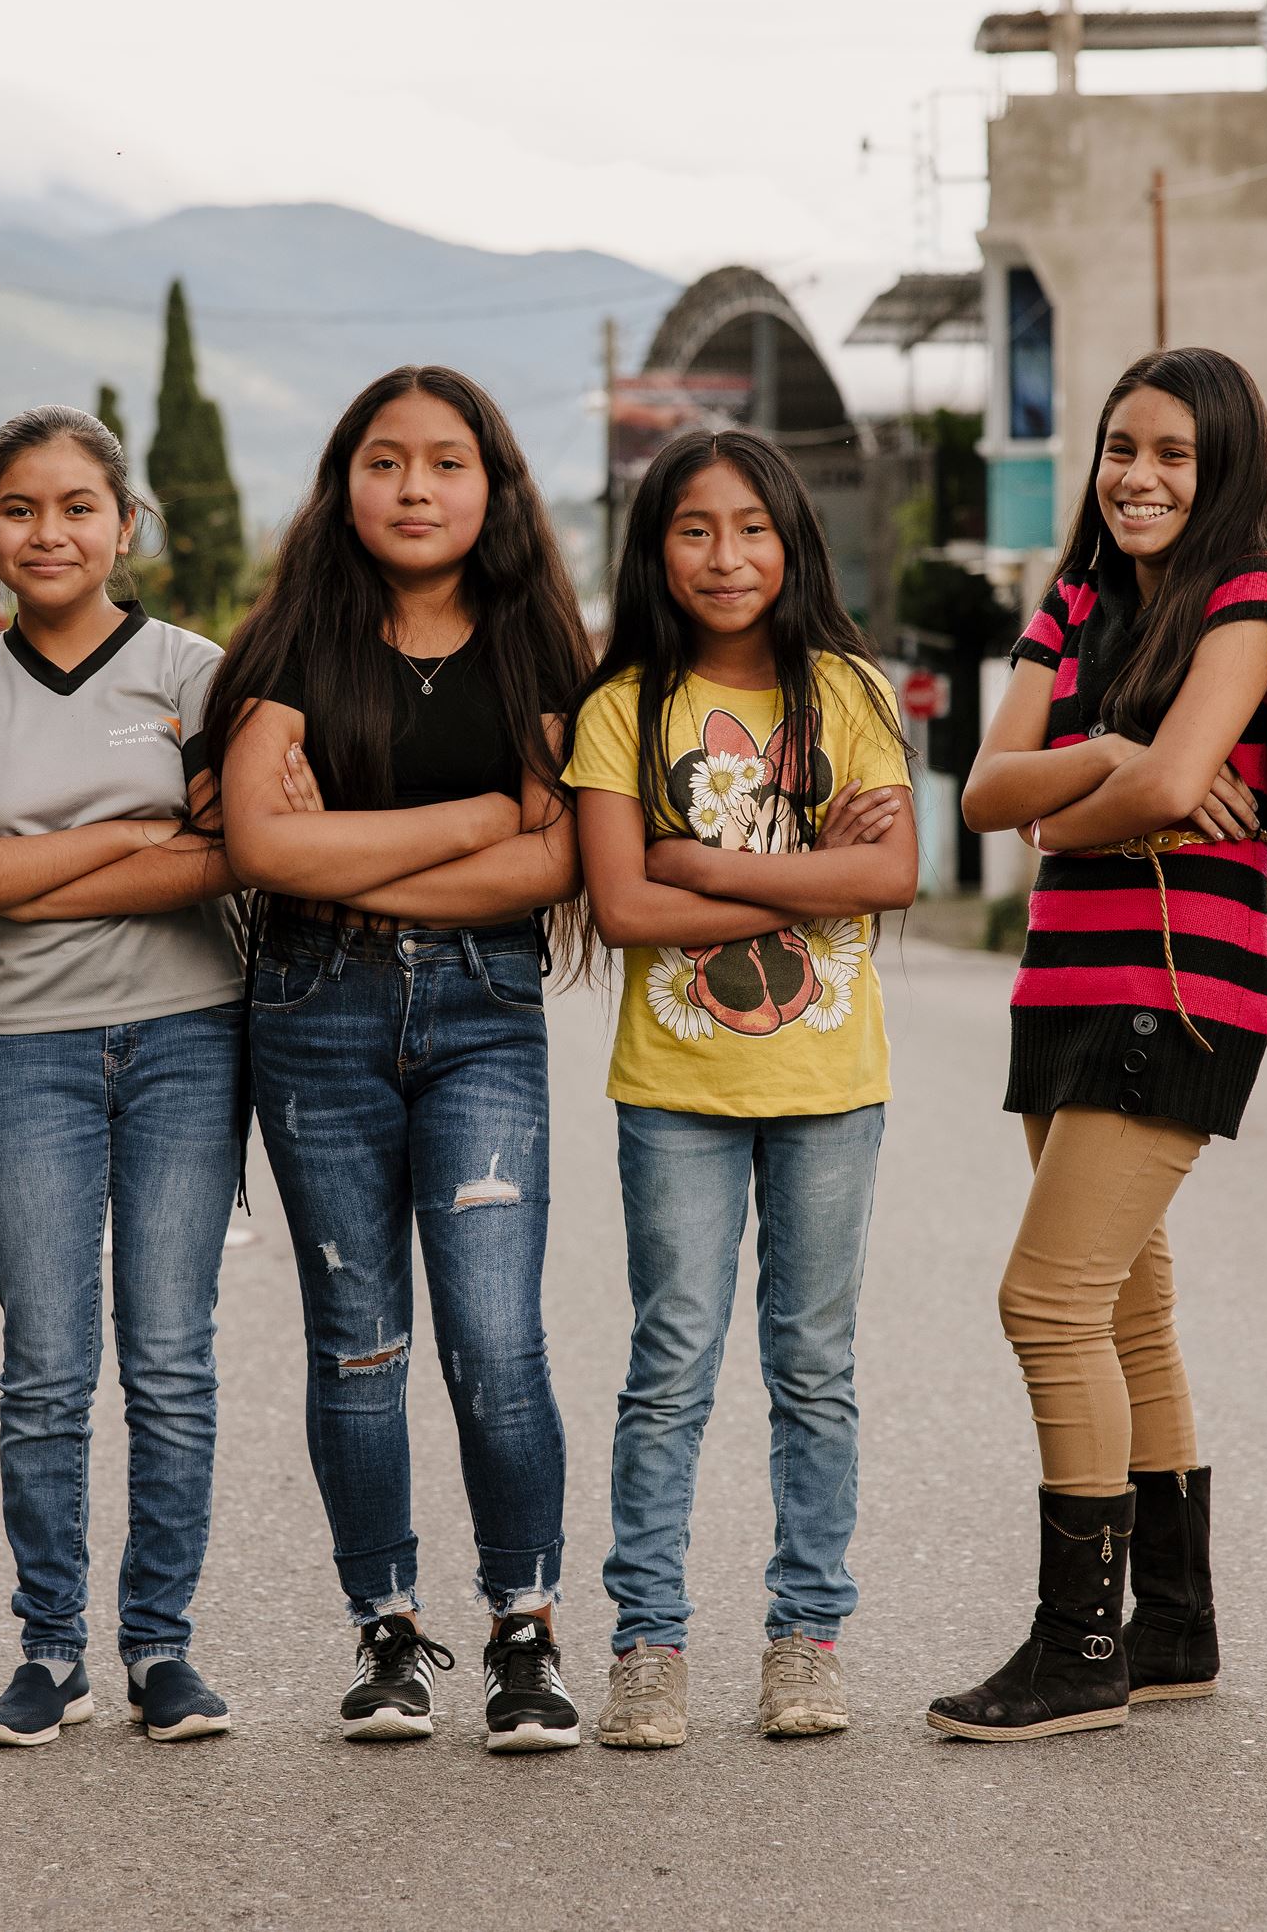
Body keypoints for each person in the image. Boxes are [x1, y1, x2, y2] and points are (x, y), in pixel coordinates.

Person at [203, 365, 592, 1752]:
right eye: (383, 460)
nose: (413, 487)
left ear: (491, 484)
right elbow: (261, 848)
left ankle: (524, 1632)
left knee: (494, 1338)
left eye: (443, 462)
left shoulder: (541, 650)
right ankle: (384, 1631)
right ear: (342, 479)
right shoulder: (290, 648)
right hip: (311, 1015)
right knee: (357, 1346)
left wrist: (364, 857)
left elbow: (557, 866)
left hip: (487, 1016)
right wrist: (479, 814)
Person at [934, 347, 1267, 1743]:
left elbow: (1145, 784)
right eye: (1119, 448)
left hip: (1177, 985)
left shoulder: (1248, 597)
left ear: (1222, 472)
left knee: (1046, 1301)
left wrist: (1081, 790)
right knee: (1126, 1308)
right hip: (1061, 986)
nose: (1137, 477)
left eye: (1172, 455)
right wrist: (1113, 764)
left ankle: (1077, 1642)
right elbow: (982, 791)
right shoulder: (1072, 597)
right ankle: (1174, 1629)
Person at [0, 406, 245, 1747]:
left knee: (168, 1358)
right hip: (25, 1056)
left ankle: (160, 1646)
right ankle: (49, 1650)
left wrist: (29, 864)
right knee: (46, 1364)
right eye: (19, 509)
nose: (48, 533)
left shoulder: (194, 675)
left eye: (76, 507)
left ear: (123, 521)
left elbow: (228, 856)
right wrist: (128, 836)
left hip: (187, 1037)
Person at [567, 428, 917, 1751]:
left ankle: (805, 1636)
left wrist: (702, 869)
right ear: (655, 547)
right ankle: (646, 1641)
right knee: (670, 1364)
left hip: (830, 1080)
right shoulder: (623, 707)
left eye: (752, 528)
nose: (726, 555)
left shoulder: (846, 693)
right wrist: (802, 864)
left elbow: (888, 881)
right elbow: (614, 903)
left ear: (792, 541)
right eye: (695, 529)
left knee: (812, 1368)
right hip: (675, 1087)